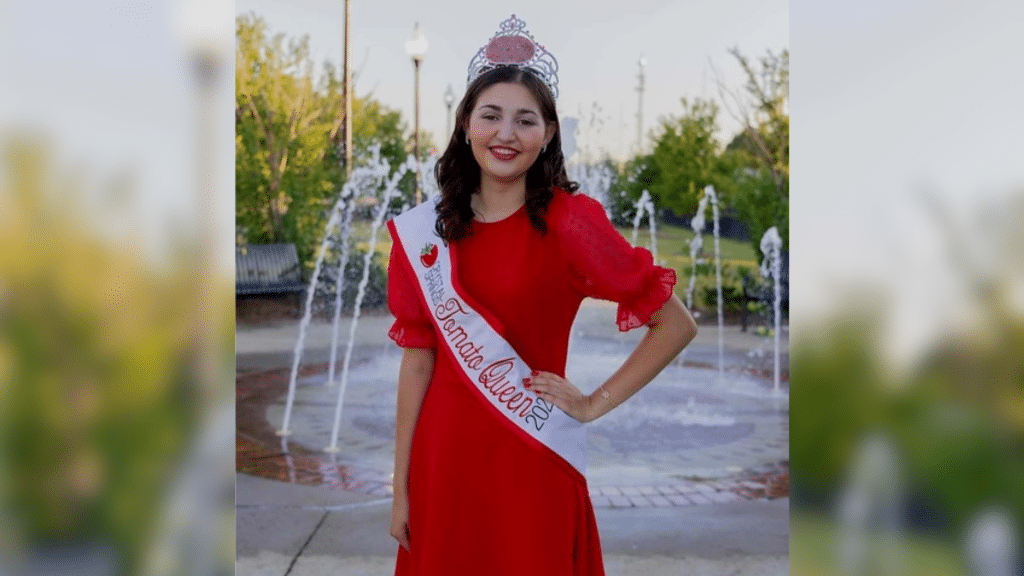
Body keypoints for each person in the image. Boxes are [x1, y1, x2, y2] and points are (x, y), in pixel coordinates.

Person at [385, 15, 697, 575]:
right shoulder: (424, 235)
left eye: (525, 120)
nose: (506, 134)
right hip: (445, 462)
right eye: (491, 115)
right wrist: (401, 486)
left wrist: (590, 403)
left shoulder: (571, 223)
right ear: (465, 124)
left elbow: (675, 324)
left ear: (548, 133)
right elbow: (417, 362)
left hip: (532, 455)